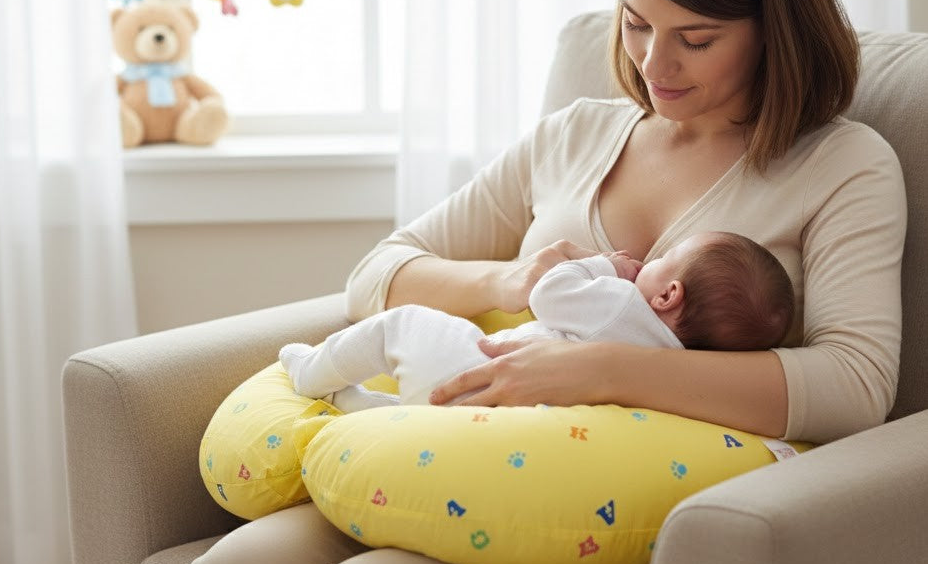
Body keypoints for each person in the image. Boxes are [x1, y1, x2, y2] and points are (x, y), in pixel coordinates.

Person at [180, 0, 906, 564]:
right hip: (464, 460)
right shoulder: (573, 137)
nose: (655, 63)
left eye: (695, 38)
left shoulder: (841, 166)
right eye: (635, 23)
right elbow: (378, 275)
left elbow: (854, 383)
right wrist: (509, 280)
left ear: (774, 28)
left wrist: (600, 369)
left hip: (627, 520)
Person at [280, 231, 795, 412]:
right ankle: (360, 405)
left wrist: (602, 267)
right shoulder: (674, 365)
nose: (646, 259)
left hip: (478, 363)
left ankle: (313, 374)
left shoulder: (622, 304)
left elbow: (547, 293)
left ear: (667, 294)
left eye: (663, 257)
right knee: (417, 407)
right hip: (506, 414)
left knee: (401, 324)